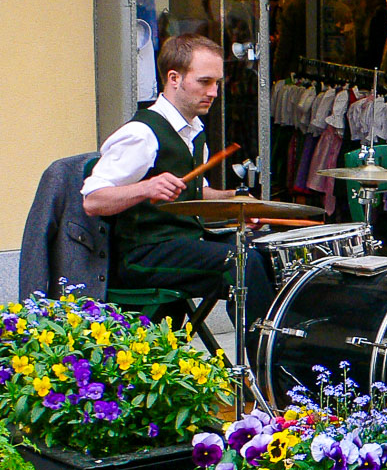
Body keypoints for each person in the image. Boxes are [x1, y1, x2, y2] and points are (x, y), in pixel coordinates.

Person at [81, 33, 274, 326]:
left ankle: (280, 350)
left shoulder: (194, 129)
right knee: (243, 262)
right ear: (174, 78)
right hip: (142, 256)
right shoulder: (141, 134)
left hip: (183, 245)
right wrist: (146, 187)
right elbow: (93, 201)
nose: (214, 92)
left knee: (268, 252)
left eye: (217, 83)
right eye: (204, 82)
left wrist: (237, 202)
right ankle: (262, 361)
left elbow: (196, 193)